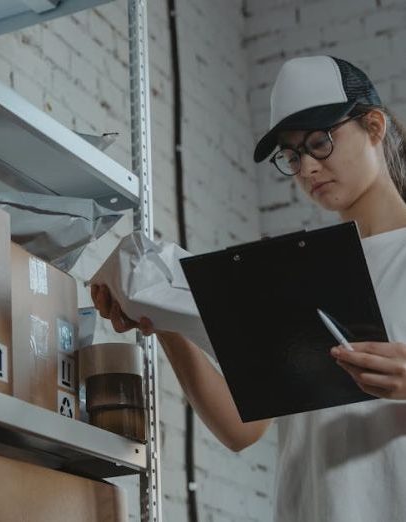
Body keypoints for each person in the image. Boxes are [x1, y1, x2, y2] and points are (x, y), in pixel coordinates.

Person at [91, 55, 406, 522]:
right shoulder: (297, 272)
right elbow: (244, 430)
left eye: (320, 142)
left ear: (374, 126)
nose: (307, 169)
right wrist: (160, 315)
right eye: (292, 155)